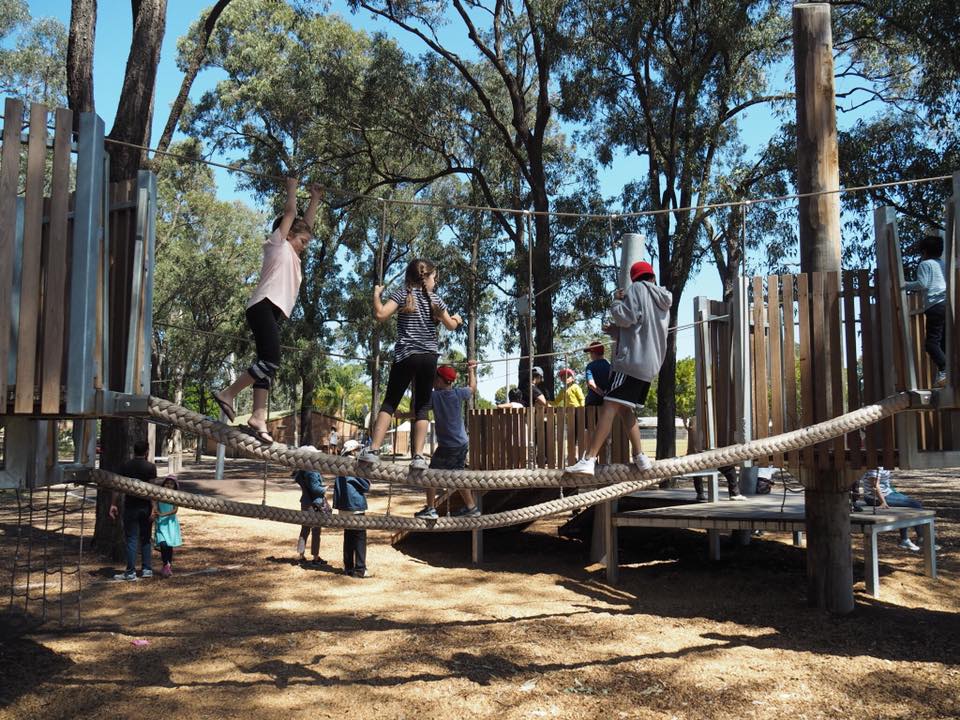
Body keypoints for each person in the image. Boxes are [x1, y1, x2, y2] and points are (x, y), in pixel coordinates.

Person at [213, 178, 323, 444]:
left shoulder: (294, 255)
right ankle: (228, 393)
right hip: (262, 305)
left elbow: (304, 225)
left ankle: (258, 417)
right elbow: (291, 215)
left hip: (273, 312)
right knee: (271, 360)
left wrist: (316, 200)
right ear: (287, 235)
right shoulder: (277, 245)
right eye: (303, 241)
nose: (305, 246)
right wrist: (292, 189)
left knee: (267, 367)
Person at [565, 261, 672, 476]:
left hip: (631, 363)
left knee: (609, 406)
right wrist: (616, 332)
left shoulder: (638, 289)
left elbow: (626, 317)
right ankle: (641, 457)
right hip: (650, 365)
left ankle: (589, 459)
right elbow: (640, 328)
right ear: (652, 276)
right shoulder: (663, 299)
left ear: (634, 279)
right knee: (624, 408)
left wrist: (616, 303)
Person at [359, 258, 462, 468]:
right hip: (429, 358)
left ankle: (373, 449)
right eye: (434, 278)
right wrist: (457, 319)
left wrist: (376, 296)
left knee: (390, 402)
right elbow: (451, 325)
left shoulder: (403, 294)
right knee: (423, 407)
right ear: (427, 278)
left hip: (406, 355)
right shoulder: (435, 299)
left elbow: (380, 314)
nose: (435, 282)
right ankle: (418, 457)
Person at [415, 363, 480, 519]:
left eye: (434, 378)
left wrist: (400, 415)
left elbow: (418, 412)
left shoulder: (434, 396)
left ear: (439, 380)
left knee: (430, 474)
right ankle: (471, 507)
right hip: (462, 443)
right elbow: (473, 387)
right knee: (458, 474)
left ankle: (431, 508)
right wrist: (471, 370)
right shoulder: (459, 393)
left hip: (448, 446)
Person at [109, 440, 158, 581]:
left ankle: (130, 572)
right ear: (147, 451)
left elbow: (117, 486)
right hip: (146, 507)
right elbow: (152, 490)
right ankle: (147, 569)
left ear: (134, 451)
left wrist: (113, 504)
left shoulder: (125, 466)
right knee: (146, 538)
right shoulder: (150, 467)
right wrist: (154, 508)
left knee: (131, 539)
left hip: (131, 506)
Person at [904, 234, 947, 388]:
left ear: (924, 252)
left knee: (931, 344)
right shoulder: (943, 264)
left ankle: (945, 369)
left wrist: (903, 285)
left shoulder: (925, 264)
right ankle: (945, 373)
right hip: (947, 305)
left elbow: (922, 284)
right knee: (943, 343)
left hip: (935, 305)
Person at [860, 468, 938, 552]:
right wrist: (883, 502)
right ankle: (919, 538)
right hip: (874, 497)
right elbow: (875, 485)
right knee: (915, 505)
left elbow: (885, 483)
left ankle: (907, 539)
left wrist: (895, 493)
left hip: (887, 493)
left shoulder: (884, 464)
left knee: (911, 504)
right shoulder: (875, 466)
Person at [333, 440, 371, 578]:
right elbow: (366, 486)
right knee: (360, 537)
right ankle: (360, 568)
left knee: (348, 536)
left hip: (343, 507)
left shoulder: (339, 465)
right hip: (355, 506)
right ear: (353, 451)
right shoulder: (354, 465)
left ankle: (348, 567)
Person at [686, 420, 745, 502]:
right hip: (709, 457)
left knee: (697, 472)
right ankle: (734, 493)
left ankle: (700, 493)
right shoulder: (709, 423)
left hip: (695, 458)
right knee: (730, 469)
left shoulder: (694, 423)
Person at [292, 446, 329, 566]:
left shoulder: (301, 469)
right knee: (316, 530)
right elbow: (315, 489)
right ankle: (315, 557)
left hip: (305, 502)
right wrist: (324, 488)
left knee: (305, 529)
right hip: (314, 504)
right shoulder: (311, 470)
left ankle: (301, 555)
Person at [152, 475, 183, 578]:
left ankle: (167, 565)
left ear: (174, 486)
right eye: (167, 483)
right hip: (161, 522)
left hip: (170, 522)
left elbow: (175, 510)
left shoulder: (175, 496)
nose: (168, 485)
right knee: (163, 544)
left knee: (169, 545)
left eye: (171, 484)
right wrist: (156, 512)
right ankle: (166, 564)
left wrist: (163, 514)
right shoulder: (159, 494)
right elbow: (155, 504)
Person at [583, 341, 611, 406]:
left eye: (590, 353)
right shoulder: (610, 366)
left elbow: (591, 384)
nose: (590, 355)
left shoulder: (590, 366)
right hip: (609, 403)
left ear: (594, 353)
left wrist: (602, 394)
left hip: (593, 401)